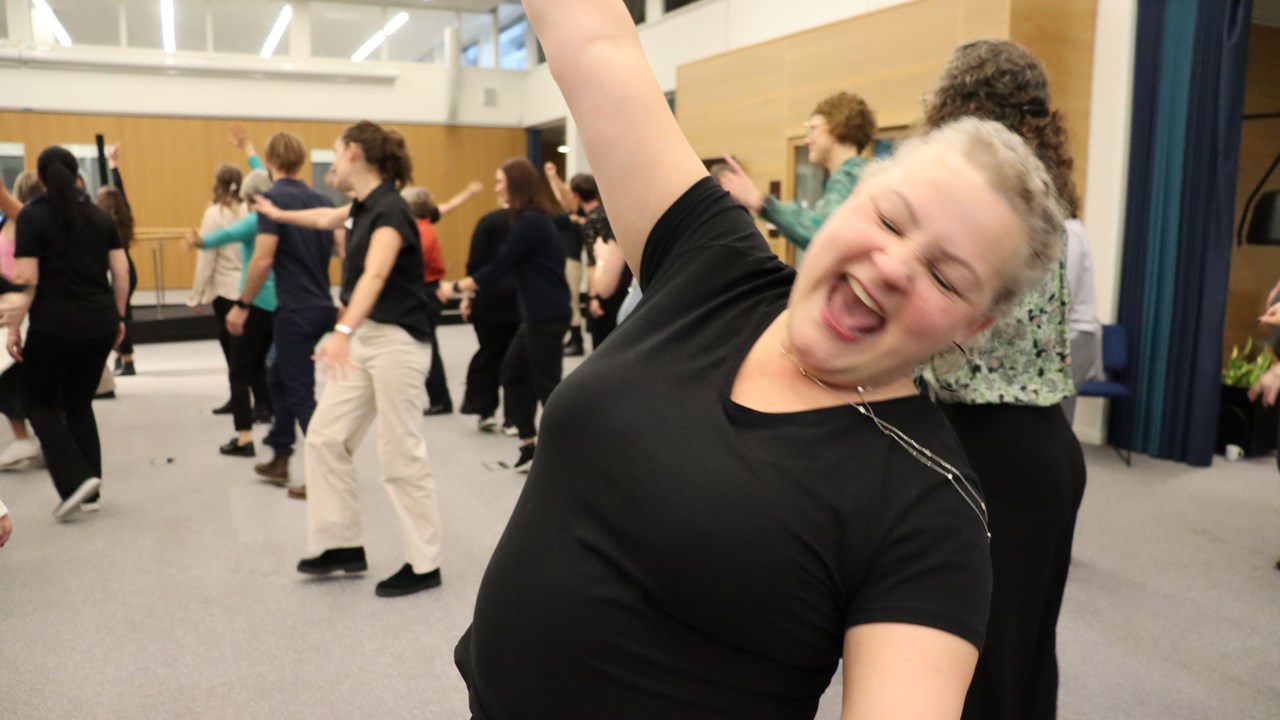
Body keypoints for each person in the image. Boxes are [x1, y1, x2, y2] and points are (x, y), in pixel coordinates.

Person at [453, 3, 1065, 718]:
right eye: (892, 218)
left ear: (976, 323)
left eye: (946, 276)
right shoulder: (712, 264)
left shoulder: (929, 509)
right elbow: (591, 39)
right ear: (850, 197)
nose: (896, 265)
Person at [917, 39, 1085, 720]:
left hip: (984, 450)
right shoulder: (1054, 209)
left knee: (975, 656)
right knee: (1025, 650)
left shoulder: (972, 207)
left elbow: (939, 336)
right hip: (1047, 448)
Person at [258, 120, 444, 598]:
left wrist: (341, 332)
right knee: (324, 437)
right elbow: (324, 219)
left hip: (397, 344)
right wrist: (277, 214)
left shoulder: (391, 212)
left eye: (336, 154)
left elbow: (376, 275)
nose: (332, 164)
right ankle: (342, 545)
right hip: (366, 340)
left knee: (400, 454)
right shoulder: (361, 207)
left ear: (357, 154)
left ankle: (425, 564)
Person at [10, 146, 131, 520]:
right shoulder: (98, 215)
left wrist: (13, 328)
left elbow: (27, 278)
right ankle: (92, 488)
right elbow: (121, 271)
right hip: (99, 323)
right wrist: (119, 316)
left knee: (38, 403)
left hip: (54, 324)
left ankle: (75, 478)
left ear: (41, 178)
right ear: (78, 175)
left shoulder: (32, 217)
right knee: (79, 403)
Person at [437, 158, 571, 472]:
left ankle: (566, 457)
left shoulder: (532, 222)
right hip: (536, 315)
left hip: (546, 315)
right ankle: (530, 445)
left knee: (548, 386)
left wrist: (456, 288)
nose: (496, 187)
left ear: (516, 185)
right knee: (512, 374)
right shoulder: (531, 219)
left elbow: (500, 267)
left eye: (500, 181)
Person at [226, 131, 337, 498]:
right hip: (322, 305)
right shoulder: (321, 198)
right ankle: (280, 454)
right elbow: (343, 249)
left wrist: (242, 305)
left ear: (271, 163)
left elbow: (262, 260)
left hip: (296, 310)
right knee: (278, 379)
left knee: (301, 392)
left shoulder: (272, 201)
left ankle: (325, 474)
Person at [186, 169, 278, 456]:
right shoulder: (263, 213)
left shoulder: (220, 214)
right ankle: (264, 406)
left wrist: (197, 292)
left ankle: (244, 437)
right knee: (259, 359)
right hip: (268, 296)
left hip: (234, 294)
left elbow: (210, 248)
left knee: (237, 365)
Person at [717, 90, 877, 250]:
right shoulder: (861, 174)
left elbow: (824, 237)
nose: (807, 140)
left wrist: (761, 202)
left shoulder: (851, 176)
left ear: (837, 129)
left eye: (812, 129)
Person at [400, 182, 485, 416]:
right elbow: (446, 207)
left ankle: (439, 398)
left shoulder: (418, 233)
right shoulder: (424, 223)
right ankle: (438, 397)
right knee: (425, 345)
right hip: (428, 290)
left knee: (425, 346)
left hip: (425, 291)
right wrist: (467, 193)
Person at [190, 164, 247, 414]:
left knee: (231, 351)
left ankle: (239, 400)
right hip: (248, 288)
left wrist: (197, 294)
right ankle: (262, 401)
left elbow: (206, 257)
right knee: (250, 349)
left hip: (224, 290)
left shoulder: (214, 214)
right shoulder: (250, 210)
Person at [457, 207, 520, 433]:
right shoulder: (536, 220)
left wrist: (467, 296)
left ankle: (485, 410)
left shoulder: (488, 221)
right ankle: (515, 417)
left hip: (489, 298)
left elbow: (475, 264)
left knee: (489, 353)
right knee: (518, 361)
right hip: (522, 300)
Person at [0, 171, 45, 469]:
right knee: (13, 376)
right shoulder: (22, 222)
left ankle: (28, 436)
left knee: (12, 376)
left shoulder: (26, 222)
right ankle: (29, 437)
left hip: (17, 302)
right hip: (12, 300)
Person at [103, 144, 139, 377]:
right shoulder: (124, 219)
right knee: (122, 313)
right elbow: (122, 194)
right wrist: (113, 166)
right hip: (129, 268)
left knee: (118, 316)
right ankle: (121, 357)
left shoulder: (104, 224)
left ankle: (127, 360)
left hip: (117, 271)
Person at [545, 163, 588, 356]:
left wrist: (553, 177)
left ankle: (577, 340)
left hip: (572, 262)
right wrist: (551, 178)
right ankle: (573, 337)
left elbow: (565, 195)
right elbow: (561, 195)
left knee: (572, 301)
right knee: (568, 301)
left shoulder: (579, 213)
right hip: (567, 261)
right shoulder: (570, 215)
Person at [1061, 218, 1101, 423]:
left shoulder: (1068, 231)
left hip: (1074, 338)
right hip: (1067, 337)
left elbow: (1063, 294)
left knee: (1054, 415)